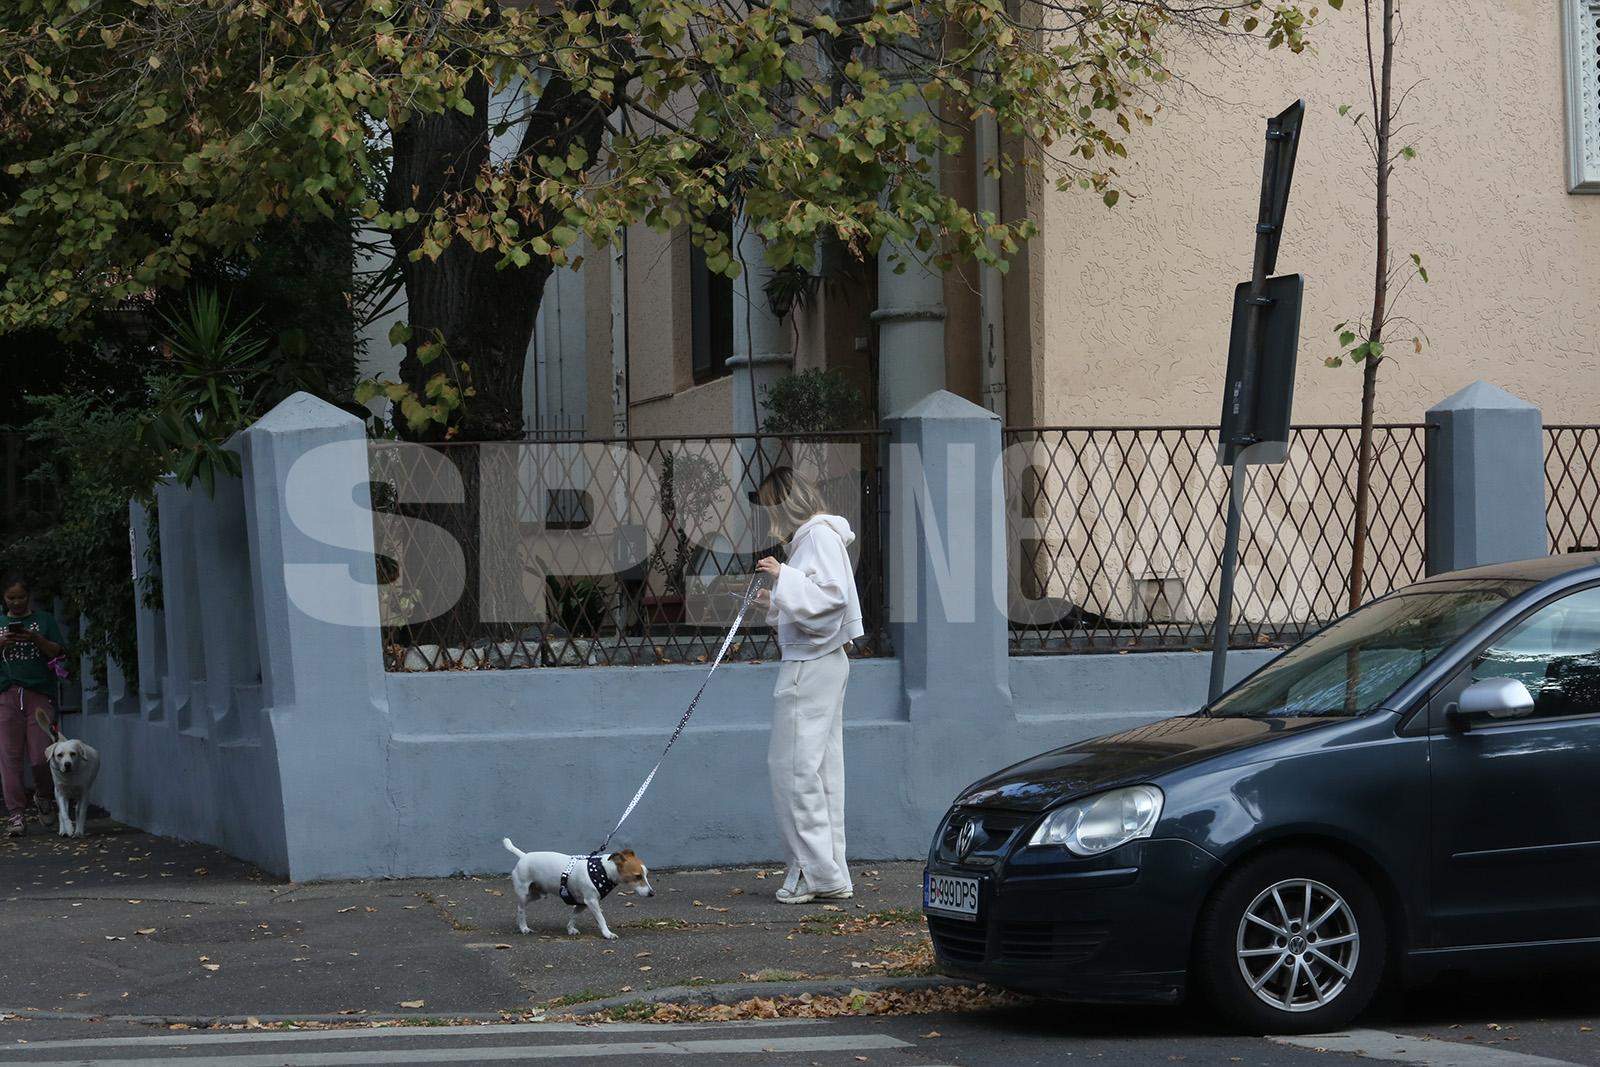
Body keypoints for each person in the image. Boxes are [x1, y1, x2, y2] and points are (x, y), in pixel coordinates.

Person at [752, 467, 864, 905]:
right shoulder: (819, 537)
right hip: (822, 663)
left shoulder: (816, 537)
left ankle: (813, 872)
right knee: (819, 771)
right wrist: (777, 598)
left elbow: (830, 598)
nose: (768, 518)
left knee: (792, 771)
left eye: (769, 508)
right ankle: (829, 870)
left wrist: (784, 578)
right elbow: (819, 603)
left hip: (808, 667)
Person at [0, 576, 65, 837]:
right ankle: (16, 814)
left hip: (39, 693)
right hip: (6, 694)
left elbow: (58, 652)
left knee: (42, 754)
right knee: (9, 758)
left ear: (29, 597)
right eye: (10, 598)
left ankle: (43, 795)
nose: (16, 602)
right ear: (4, 599)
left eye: (20, 597)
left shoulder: (45, 620)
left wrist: (37, 638)